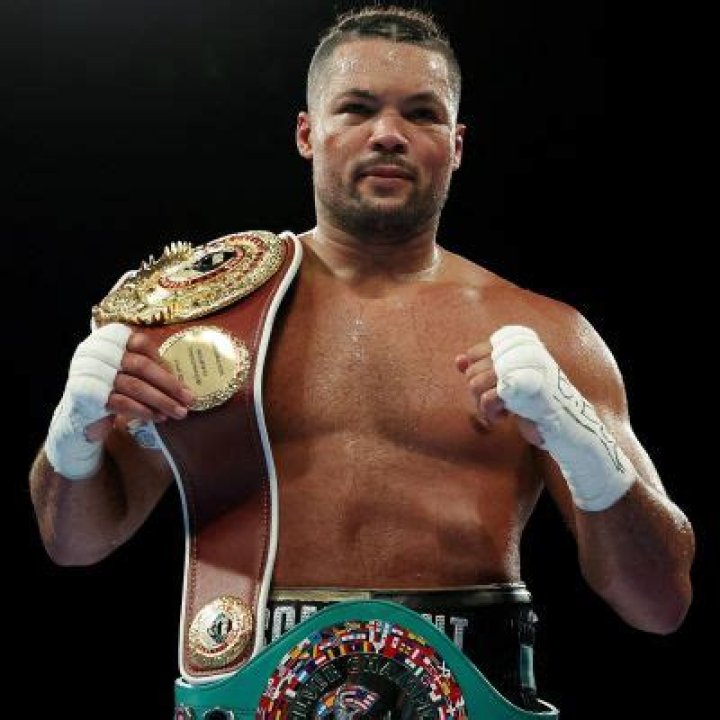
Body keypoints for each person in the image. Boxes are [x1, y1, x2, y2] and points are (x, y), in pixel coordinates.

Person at [29, 5, 694, 717]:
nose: (388, 134)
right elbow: (75, 543)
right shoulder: (210, 322)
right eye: (357, 108)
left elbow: (659, 603)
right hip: (245, 694)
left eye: (421, 113)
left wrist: (585, 446)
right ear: (307, 133)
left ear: (456, 144)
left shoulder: (545, 333)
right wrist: (71, 437)